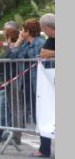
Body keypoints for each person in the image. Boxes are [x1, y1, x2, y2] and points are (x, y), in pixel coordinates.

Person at [32, 13, 55, 158]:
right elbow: (42, 53)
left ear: (47, 27)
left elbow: (47, 54)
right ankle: (44, 149)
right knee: (45, 113)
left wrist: (51, 54)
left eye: (43, 28)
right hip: (49, 84)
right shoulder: (50, 39)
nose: (42, 31)